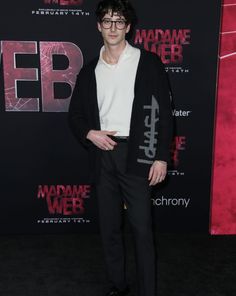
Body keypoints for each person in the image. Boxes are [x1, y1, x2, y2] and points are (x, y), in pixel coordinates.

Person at [68, 0, 173, 295]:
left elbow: (164, 112)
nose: (113, 27)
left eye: (119, 21)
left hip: (138, 154)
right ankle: (118, 284)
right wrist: (90, 133)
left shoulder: (148, 62)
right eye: (107, 21)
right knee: (109, 229)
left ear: (128, 27)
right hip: (103, 155)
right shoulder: (90, 71)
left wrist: (161, 158)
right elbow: (74, 116)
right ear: (99, 26)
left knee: (141, 230)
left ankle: (147, 291)